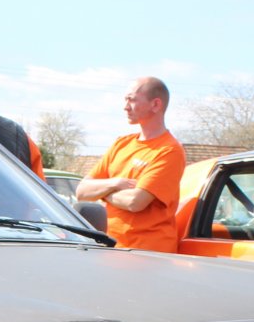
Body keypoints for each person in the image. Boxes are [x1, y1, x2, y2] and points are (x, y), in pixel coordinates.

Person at [76, 77, 186, 252]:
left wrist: (102, 193)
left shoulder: (169, 150)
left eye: (132, 99)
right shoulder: (121, 144)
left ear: (156, 105)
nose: (125, 106)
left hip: (148, 255)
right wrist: (115, 183)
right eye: (125, 100)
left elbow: (135, 202)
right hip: (111, 248)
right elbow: (81, 191)